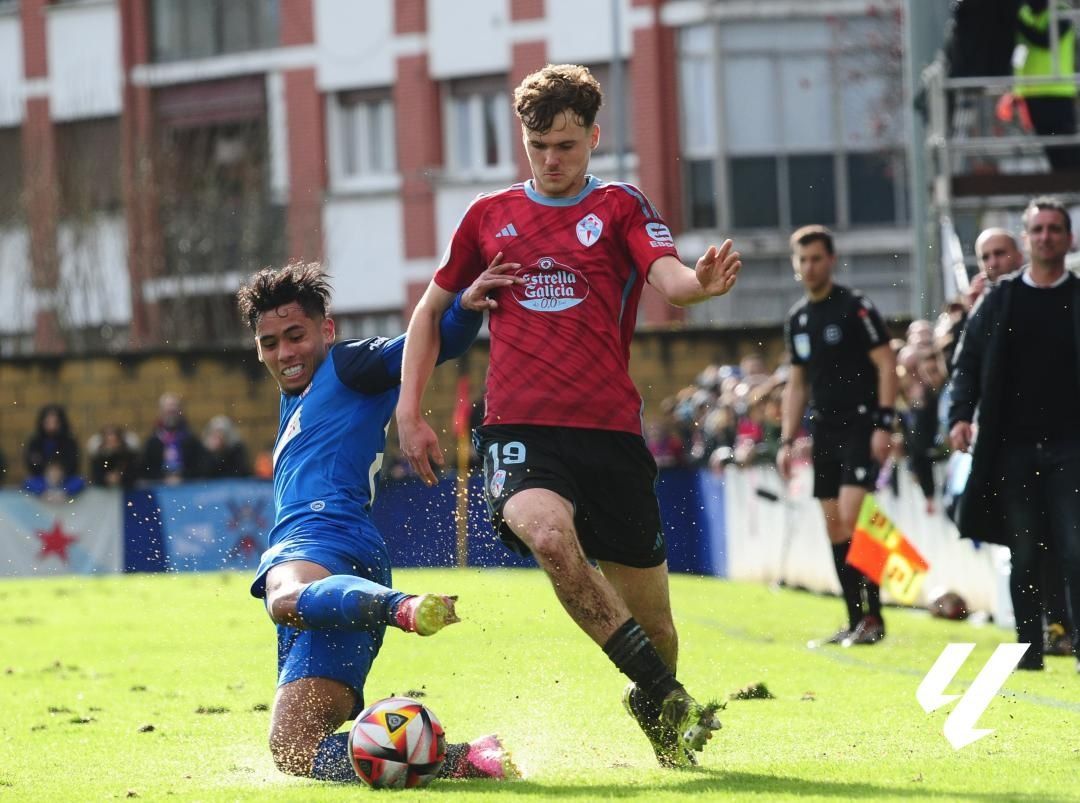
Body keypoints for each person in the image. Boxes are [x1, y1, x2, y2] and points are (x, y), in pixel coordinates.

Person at [396, 64, 737, 768]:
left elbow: (669, 276)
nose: (551, 160)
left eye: (566, 146)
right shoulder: (488, 215)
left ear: (594, 139)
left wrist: (698, 287)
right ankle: (668, 694)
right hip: (520, 431)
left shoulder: (620, 206)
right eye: (538, 146)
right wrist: (410, 410)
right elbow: (430, 310)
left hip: (611, 436)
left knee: (658, 628)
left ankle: (658, 708)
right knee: (551, 538)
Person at [234, 262, 520, 783]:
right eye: (269, 343)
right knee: (296, 748)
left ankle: (402, 607)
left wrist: (461, 308)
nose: (285, 353)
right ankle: (465, 760)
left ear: (326, 330)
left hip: (326, 538)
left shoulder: (346, 365)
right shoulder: (296, 395)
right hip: (342, 560)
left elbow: (425, 343)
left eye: (296, 336)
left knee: (283, 596)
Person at [948, 197, 1080, 672]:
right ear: (1027, 238)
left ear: (1069, 239)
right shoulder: (1000, 299)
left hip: (1071, 447)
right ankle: (1028, 649)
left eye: (1054, 229)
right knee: (1023, 550)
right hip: (1012, 448)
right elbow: (967, 363)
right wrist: (960, 416)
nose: (1046, 236)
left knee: (1075, 548)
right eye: (1037, 229)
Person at [777, 225, 897, 648]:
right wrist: (787, 438)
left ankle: (875, 616)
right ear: (795, 265)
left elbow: (887, 363)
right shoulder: (798, 319)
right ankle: (853, 619)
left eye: (816, 258)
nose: (809, 267)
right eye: (802, 260)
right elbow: (797, 384)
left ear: (831, 260)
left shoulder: (855, 307)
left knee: (853, 514)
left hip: (861, 423)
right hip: (824, 429)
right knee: (833, 525)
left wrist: (885, 423)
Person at [141, 393, 206, 484]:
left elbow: (200, 469)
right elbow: (146, 471)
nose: (171, 415)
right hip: (160, 489)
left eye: (174, 411)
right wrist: (163, 479)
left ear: (180, 412)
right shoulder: (152, 442)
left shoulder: (191, 440)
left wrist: (183, 477)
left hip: (187, 488)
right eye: (168, 412)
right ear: (160, 412)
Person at [24, 404, 80, 482]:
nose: (52, 427)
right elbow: (31, 462)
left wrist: (60, 470)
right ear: (42, 423)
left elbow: (73, 462)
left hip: (65, 478)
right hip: (41, 478)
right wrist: (46, 470)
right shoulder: (35, 441)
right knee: (29, 482)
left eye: (55, 422)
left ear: (61, 423)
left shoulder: (69, 441)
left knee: (78, 482)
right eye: (48, 422)